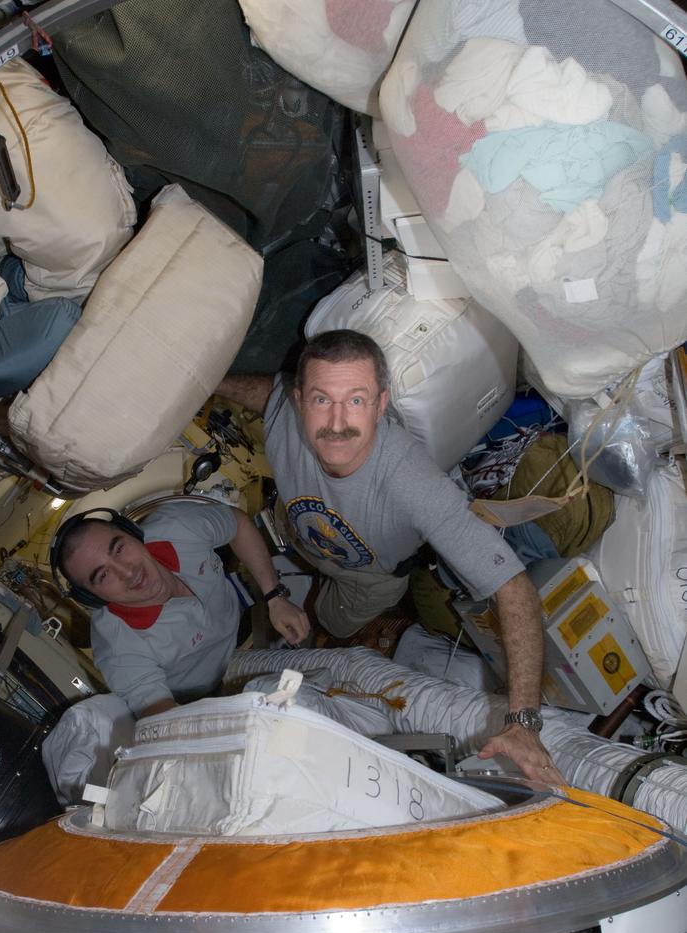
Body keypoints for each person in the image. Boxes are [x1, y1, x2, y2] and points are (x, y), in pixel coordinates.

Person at [216, 330, 562, 787]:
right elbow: (267, 392)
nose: (337, 422)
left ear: (381, 405)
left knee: (331, 620)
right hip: (307, 537)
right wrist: (210, 380)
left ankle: (365, 622)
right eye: (322, 399)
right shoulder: (284, 410)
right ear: (300, 400)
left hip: (368, 578)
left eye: (356, 401)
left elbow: (513, 588)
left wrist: (523, 723)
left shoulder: (409, 481)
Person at [51, 499, 309, 719]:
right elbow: (163, 716)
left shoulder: (177, 525)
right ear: (93, 598)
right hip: (214, 689)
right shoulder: (118, 648)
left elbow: (237, 524)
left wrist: (274, 596)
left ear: (133, 532)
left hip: (243, 613)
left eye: (119, 548)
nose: (128, 572)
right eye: (103, 576)